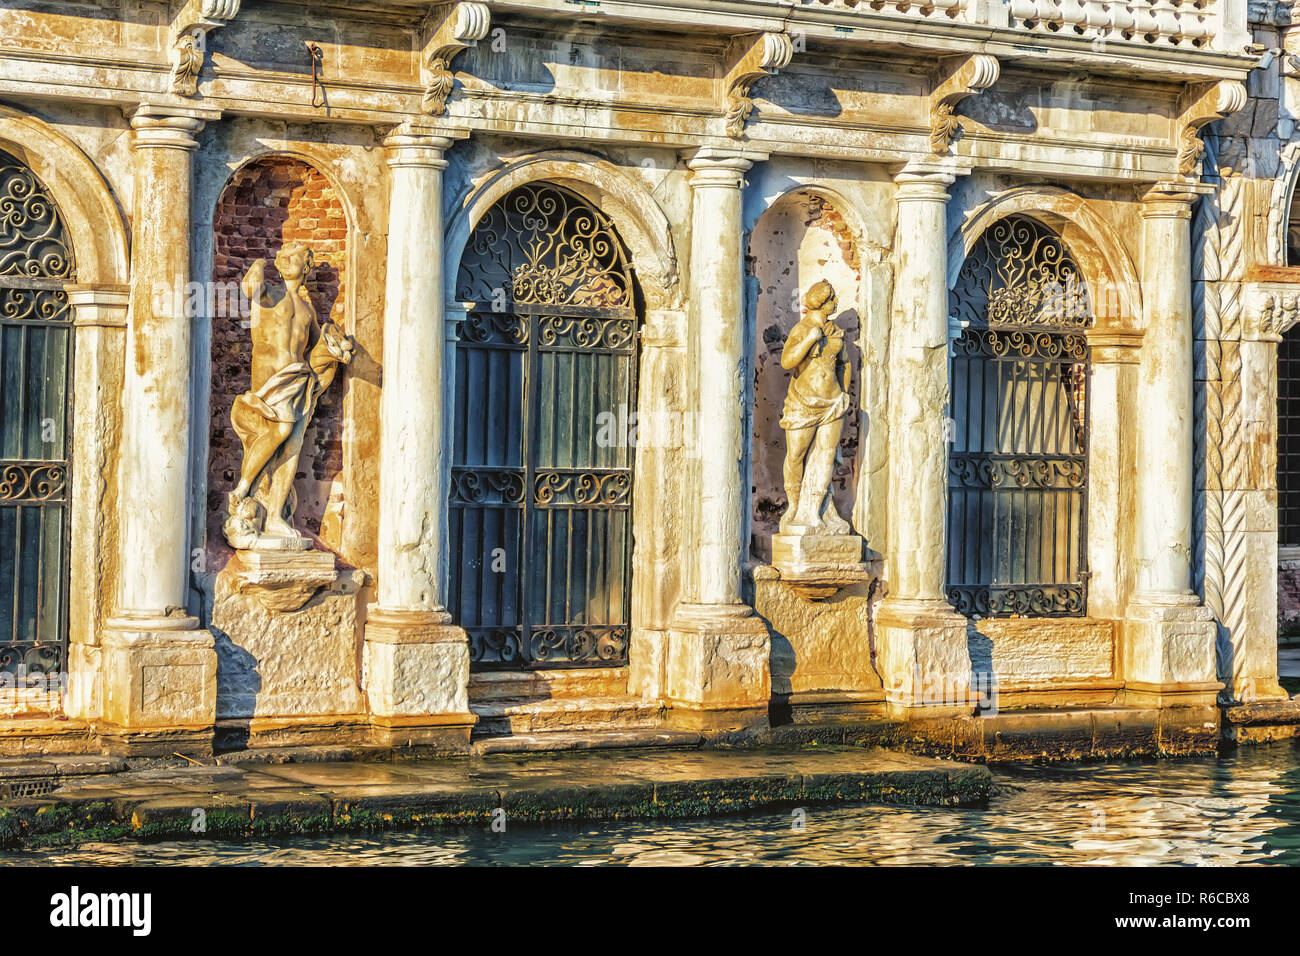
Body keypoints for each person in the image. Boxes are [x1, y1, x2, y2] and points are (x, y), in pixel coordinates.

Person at [225, 242, 352, 548]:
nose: (303, 264)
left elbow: (313, 350)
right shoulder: (269, 294)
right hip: (270, 381)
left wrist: (334, 349)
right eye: (295, 258)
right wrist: (257, 262)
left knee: (292, 447)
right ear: (281, 264)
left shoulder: (308, 310)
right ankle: (242, 488)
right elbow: (249, 287)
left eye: (306, 261)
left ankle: (276, 517)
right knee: (280, 430)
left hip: (297, 380)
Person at [779, 279, 852, 536]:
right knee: (796, 455)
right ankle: (795, 506)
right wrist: (810, 339)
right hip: (803, 402)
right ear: (821, 302)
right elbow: (788, 361)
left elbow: (844, 363)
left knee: (826, 454)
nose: (836, 303)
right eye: (833, 300)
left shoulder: (836, 332)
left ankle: (815, 510)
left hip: (832, 402)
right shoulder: (803, 329)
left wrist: (843, 393)